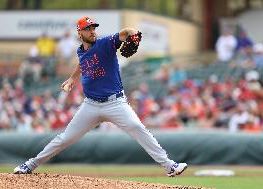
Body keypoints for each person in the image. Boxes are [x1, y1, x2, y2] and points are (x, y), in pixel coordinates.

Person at [13, 16, 187, 177]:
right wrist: (72, 78)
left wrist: (135, 35)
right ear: (79, 32)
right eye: (88, 28)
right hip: (90, 105)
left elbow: (126, 32)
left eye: (93, 28)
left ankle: (169, 166)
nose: (92, 31)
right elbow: (83, 63)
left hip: (115, 103)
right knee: (64, 139)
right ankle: (30, 165)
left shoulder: (105, 43)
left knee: (138, 128)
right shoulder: (81, 51)